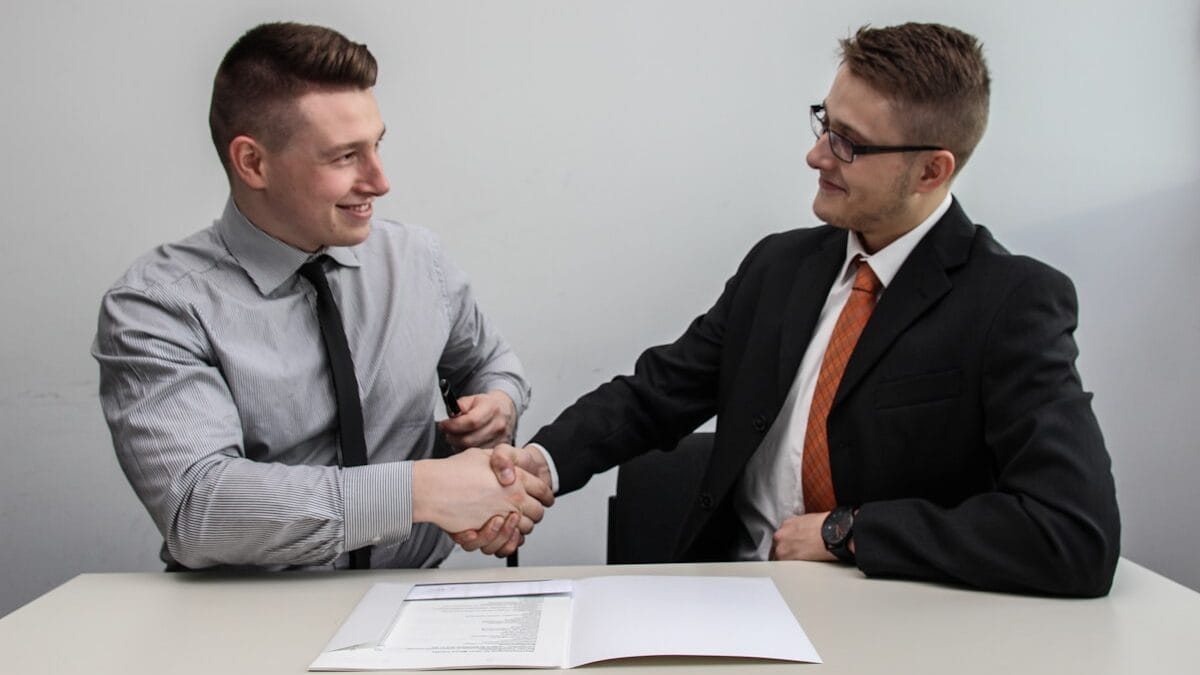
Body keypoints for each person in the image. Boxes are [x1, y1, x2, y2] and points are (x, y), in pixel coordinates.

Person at [473, 22, 1121, 597]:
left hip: (887, 619)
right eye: (824, 124)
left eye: (849, 144)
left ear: (931, 170)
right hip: (727, 598)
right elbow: (656, 394)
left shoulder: (1011, 302)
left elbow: (1073, 533)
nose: (817, 156)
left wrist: (849, 532)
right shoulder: (779, 268)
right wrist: (542, 462)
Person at [92, 21, 550, 571]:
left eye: (377, 145)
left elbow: (490, 364)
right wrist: (419, 491)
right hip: (244, 623)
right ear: (253, 163)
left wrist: (497, 404)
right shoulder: (157, 307)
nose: (380, 182)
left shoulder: (418, 260)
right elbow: (200, 509)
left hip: (414, 601)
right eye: (344, 157)